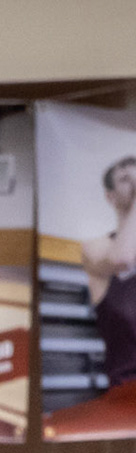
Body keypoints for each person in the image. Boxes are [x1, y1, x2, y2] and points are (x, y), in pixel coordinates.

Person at [80, 154, 136, 390]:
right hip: (127, 390)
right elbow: (122, 258)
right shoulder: (95, 248)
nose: (134, 181)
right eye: (125, 178)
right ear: (110, 196)